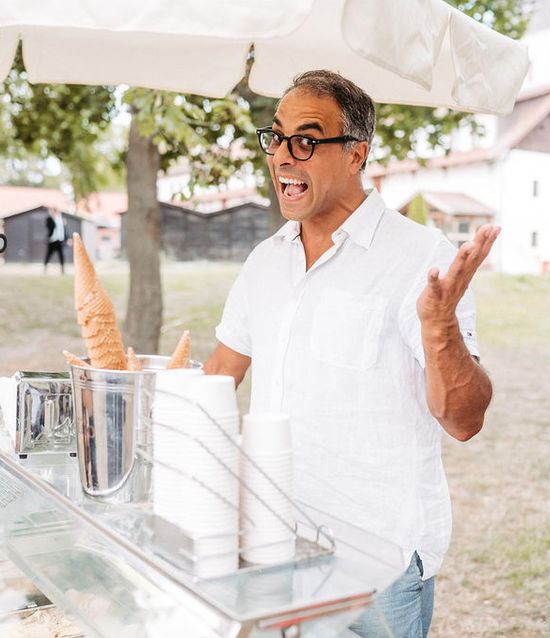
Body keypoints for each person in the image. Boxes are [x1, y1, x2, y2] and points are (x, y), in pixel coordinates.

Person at [204, 70, 499, 638]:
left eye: (307, 140)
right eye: (277, 138)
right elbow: (219, 376)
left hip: (375, 568)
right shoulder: (265, 261)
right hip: (271, 546)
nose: (284, 157)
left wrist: (439, 329)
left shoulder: (420, 258)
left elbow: (465, 419)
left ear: (357, 153)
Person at [44, 209, 66, 274]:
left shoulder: (61, 220)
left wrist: (67, 238)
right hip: (52, 240)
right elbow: (50, 227)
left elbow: (63, 230)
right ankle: (45, 267)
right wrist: (53, 219)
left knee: (61, 255)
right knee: (48, 255)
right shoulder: (49, 219)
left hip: (59, 240)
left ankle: (62, 269)